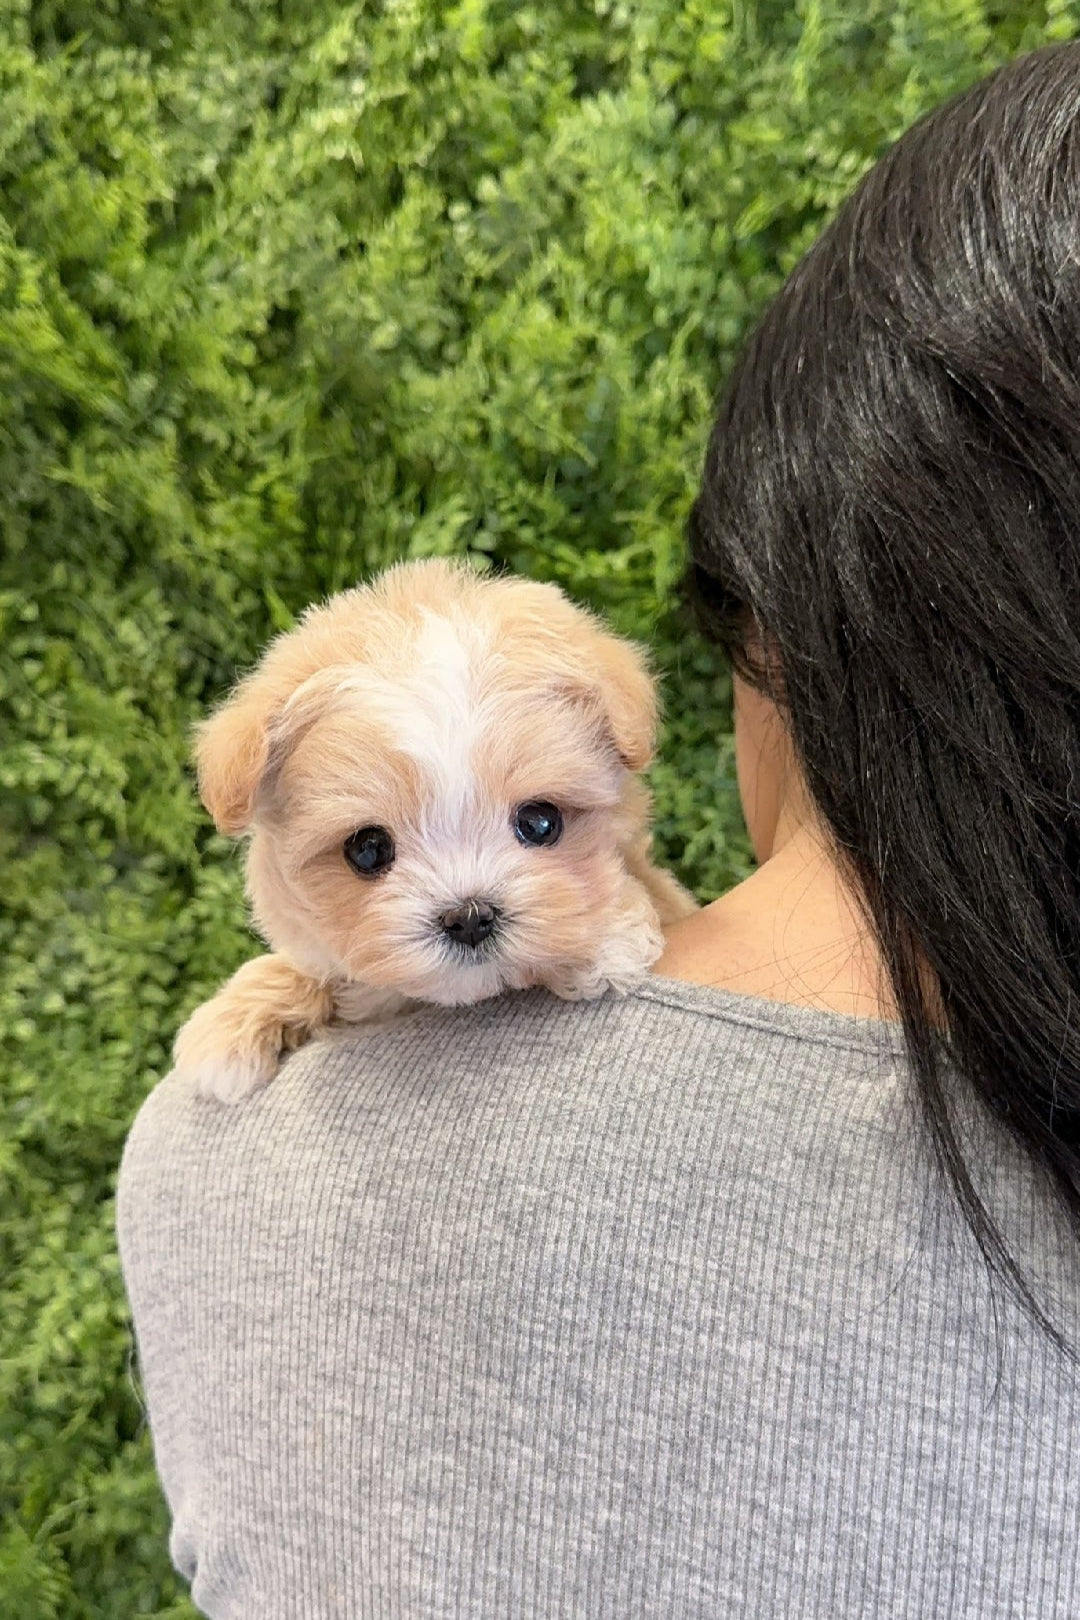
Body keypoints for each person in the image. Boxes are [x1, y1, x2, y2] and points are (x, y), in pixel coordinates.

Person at [117, 42, 1080, 1618]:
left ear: (765, 615)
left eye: (539, 821)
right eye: (372, 849)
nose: (470, 895)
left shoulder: (213, 1176)